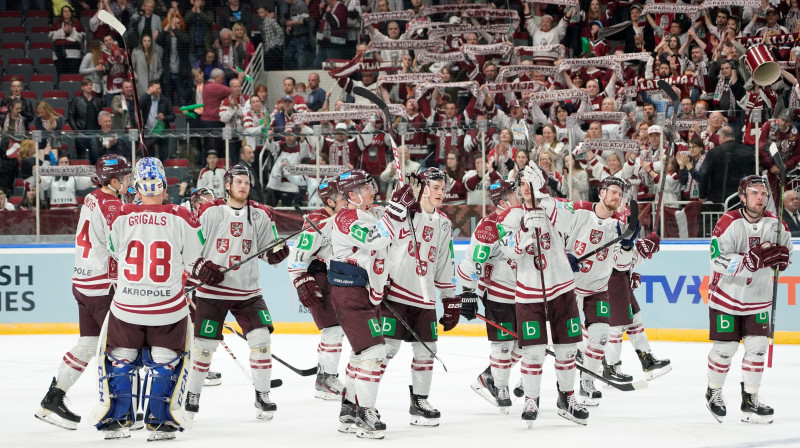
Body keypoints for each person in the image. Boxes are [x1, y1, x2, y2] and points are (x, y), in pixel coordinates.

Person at [95, 157, 217, 441]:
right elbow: (194, 261)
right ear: (164, 186)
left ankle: (117, 420)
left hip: (127, 306)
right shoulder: (181, 215)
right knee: (165, 361)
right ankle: (159, 422)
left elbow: (114, 251)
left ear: (137, 188)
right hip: (167, 307)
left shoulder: (122, 215)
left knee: (121, 360)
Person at [183, 164, 290, 421]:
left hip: (248, 292)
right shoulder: (211, 212)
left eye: (246, 182)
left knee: (262, 343)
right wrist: (203, 268)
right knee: (203, 349)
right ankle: (192, 395)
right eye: (238, 181)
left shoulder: (261, 214)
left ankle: (262, 396)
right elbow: (188, 247)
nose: (243, 186)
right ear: (228, 185)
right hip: (213, 292)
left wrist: (275, 255)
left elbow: (267, 250)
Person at [34, 155, 132, 431]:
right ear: (113, 182)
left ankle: (52, 400)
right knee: (121, 348)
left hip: (83, 282)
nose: (129, 181)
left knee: (88, 344)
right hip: (102, 287)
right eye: (125, 177)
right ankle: (118, 411)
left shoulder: (94, 197)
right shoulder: (113, 206)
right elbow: (120, 247)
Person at [500, 165, 587, 427]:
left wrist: (546, 202)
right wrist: (526, 231)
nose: (527, 188)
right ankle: (531, 399)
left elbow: (570, 223)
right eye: (523, 184)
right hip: (528, 293)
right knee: (534, 353)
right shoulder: (511, 217)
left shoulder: (556, 206)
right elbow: (508, 251)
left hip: (561, 288)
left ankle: (567, 397)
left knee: (566, 350)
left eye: (532, 183)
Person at [328, 169, 409, 439]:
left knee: (362, 355)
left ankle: (349, 410)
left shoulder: (366, 215)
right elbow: (378, 239)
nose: (373, 191)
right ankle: (365, 414)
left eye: (371, 186)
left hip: (365, 293)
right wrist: (397, 206)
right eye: (366, 188)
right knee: (375, 353)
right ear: (351, 195)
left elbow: (388, 245)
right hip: (351, 292)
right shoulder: (346, 219)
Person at [705, 175, 791, 424]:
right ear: (742, 197)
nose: (760, 197)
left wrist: (783, 260)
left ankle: (750, 398)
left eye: (763, 193)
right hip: (726, 296)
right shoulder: (728, 221)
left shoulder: (776, 224)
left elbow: (786, 254)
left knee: (757, 349)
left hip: (760, 298)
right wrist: (747, 262)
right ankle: (714, 392)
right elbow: (716, 259)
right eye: (754, 193)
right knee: (725, 349)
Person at [381, 168, 459, 427]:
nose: (440, 192)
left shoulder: (444, 223)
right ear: (423, 188)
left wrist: (450, 299)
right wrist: (400, 201)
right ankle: (357, 400)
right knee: (384, 350)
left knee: (427, 350)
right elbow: (383, 231)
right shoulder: (405, 213)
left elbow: (444, 263)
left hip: (424, 298)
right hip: (396, 294)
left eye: (442, 187)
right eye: (435, 187)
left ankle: (420, 401)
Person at [565, 177, 638, 406]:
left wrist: (627, 246)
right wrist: (562, 257)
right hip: (569, 288)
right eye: (614, 192)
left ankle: (587, 383)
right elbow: (553, 236)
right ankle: (520, 380)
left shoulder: (618, 226)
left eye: (621, 194)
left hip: (597, 288)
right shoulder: (578, 212)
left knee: (600, 337)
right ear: (602, 193)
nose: (617, 197)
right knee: (564, 343)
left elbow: (622, 265)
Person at [458, 180, 521, 413]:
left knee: (526, 343)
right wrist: (468, 294)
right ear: (503, 200)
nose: (519, 197)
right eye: (514, 194)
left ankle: (489, 376)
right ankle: (501, 386)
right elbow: (470, 262)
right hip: (498, 292)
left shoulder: (525, 218)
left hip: (524, 292)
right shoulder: (489, 226)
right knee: (503, 345)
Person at [288, 180, 348, 399]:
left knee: (335, 329)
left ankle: (324, 376)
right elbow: (299, 255)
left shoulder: (342, 217)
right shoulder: (316, 221)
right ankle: (326, 379)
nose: (347, 200)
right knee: (333, 328)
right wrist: (302, 281)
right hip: (318, 277)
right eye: (343, 198)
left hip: (334, 277)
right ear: (330, 201)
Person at [68, 79, 104, 161]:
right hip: (81, 132)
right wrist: (76, 131)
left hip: (94, 132)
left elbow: (101, 116)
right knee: (81, 156)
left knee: (95, 150)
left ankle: (95, 166)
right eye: (87, 85)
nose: (89, 87)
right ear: (82, 87)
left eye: (91, 85)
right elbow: (70, 116)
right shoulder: (76, 100)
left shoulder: (97, 101)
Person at [140, 81, 175, 161]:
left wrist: (164, 118)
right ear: (150, 89)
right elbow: (139, 106)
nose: (158, 90)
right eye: (156, 88)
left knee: (163, 155)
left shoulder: (165, 101)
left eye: (159, 88)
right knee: (148, 156)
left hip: (162, 132)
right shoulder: (146, 100)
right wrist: (147, 93)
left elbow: (173, 117)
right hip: (149, 131)